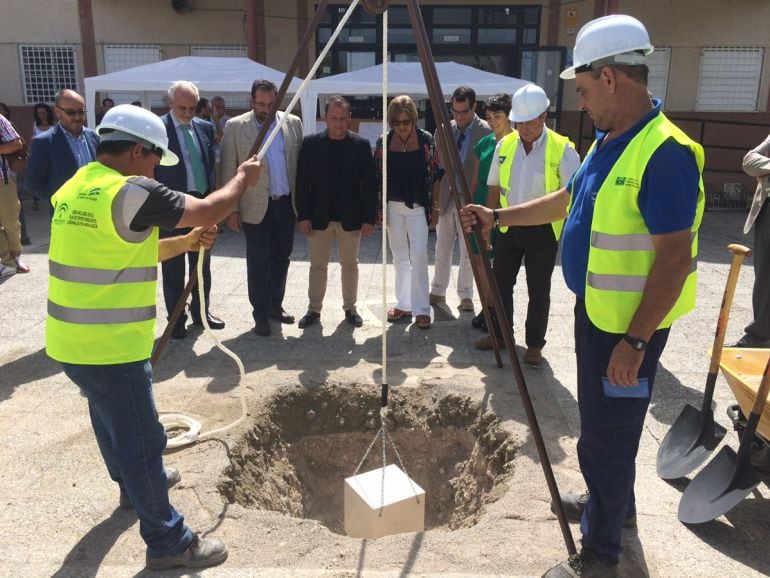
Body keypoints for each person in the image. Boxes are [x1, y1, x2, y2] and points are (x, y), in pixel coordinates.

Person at [461, 14, 704, 577]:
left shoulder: (665, 153)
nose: (583, 99)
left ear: (612, 78)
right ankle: (612, 510)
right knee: (603, 431)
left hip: (627, 331)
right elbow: (565, 199)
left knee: (606, 437)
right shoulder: (610, 140)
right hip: (599, 315)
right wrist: (497, 215)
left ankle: (599, 555)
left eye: (586, 88)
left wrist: (637, 342)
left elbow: (674, 260)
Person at [45, 104, 261, 570]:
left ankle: (131, 488)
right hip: (111, 345)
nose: (154, 169)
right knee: (141, 437)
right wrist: (242, 180)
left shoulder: (79, 186)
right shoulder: (131, 191)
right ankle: (170, 542)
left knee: (109, 421)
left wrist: (183, 244)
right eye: (152, 159)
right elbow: (210, 207)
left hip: (72, 342)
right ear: (138, 150)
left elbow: (120, 248)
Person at [474, 83, 580, 366]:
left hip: (543, 229)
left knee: (538, 289)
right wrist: (489, 224)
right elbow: (493, 186)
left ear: (544, 116)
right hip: (507, 225)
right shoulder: (504, 145)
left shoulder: (563, 149)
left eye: (530, 121)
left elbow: (572, 195)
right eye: (519, 122)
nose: (524, 128)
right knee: (501, 283)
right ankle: (501, 334)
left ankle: (534, 344)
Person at [221, 79, 303, 336]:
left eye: (270, 103)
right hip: (253, 206)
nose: (265, 108)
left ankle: (275, 306)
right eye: (260, 103)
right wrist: (231, 209)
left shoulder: (292, 123)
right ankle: (260, 314)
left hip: (284, 204)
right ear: (251, 101)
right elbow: (227, 170)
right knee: (258, 261)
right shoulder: (235, 127)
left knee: (281, 258)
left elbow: (297, 165)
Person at [295, 96, 378, 328]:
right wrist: (303, 215)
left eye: (343, 119)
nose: (339, 124)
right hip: (318, 217)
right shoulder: (310, 144)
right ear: (325, 118)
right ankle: (313, 310)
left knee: (350, 265)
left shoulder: (361, 145)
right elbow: (301, 182)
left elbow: (370, 184)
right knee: (317, 266)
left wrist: (368, 218)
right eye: (334, 118)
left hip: (351, 218)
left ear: (349, 118)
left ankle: (350, 308)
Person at [156, 81, 222, 340]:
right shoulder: (158, 129)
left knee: (202, 264)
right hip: (170, 206)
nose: (187, 113)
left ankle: (202, 313)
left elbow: (208, 165)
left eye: (192, 108)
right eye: (182, 107)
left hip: (201, 205)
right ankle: (176, 319)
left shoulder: (204, 127)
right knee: (173, 266)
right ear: (170, 102)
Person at [375, 95, 442, 329]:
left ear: (414, 119)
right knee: (399, 256)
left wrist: (435, 206)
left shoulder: (426, 140)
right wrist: (378, 209)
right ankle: (403, 303)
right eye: (397, 123)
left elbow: (435, 174)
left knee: (420, 254)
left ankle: (422, 308)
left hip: (419, 207)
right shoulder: (384, 142)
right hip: (393, 206)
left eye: (406, 122)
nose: (402, 127)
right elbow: (378, 177)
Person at [429, 86, 491, 313]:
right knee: (442, 245)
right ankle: (437, 289)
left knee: (468, 249)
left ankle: (466, 295)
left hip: (471, 198)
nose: (458, 116)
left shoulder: (486, 132)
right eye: (454, 111)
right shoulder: (443, 130)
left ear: (474, 107)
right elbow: (439, 167)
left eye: (463, 111)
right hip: (447, 197)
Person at [467, 93, 514, 331]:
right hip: (481, 200)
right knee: (479, 261)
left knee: (498, 267)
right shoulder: (485, 143)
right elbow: (475, 180)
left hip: (503, 207)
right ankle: (486, 309)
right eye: (489, 117)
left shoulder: (516, 142)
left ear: (509, 116)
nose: (493, 121)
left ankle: (497, 311)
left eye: (498, 116)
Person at [27, 89, 99, 214]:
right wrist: (60, 201)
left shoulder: (93, 137)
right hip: (65, 215)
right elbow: (34, 184)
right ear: (57, 112)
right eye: (71, 112)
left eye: (81, 112)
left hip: (96, 209)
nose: (77, 117)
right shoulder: (43, 142)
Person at [732, 135, 770, 348]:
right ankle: (760, 335)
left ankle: (759, 335)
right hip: (767, 211)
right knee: (764, 274)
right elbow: (749, 161)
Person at [0, 110, 28, 277]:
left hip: (3, 180)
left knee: (11, 222)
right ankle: (6, 261)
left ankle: (16, 256)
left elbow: (16, 143)